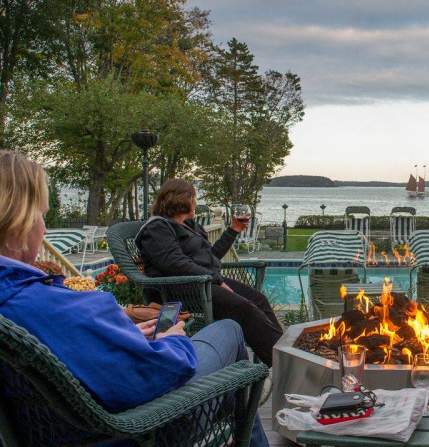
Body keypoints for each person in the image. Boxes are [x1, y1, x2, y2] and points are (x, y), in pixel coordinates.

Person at [0, 150, 269, 446]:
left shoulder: (16, 302)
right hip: (141, 427)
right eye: (41, 215)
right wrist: (172, 339)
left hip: (66, 426)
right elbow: (156, 373)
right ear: (17, 225)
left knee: (254, 301)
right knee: (230, 330)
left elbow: (76, 354)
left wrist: (124, 337)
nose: (45, 228)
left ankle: (276, 365)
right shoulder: (51, 304)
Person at [135, 178, 283, 366]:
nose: (196, 202)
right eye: (194, 197)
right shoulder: (157, 228)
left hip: (203, 283)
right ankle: (281, 364)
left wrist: (233, 230)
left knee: (258, 299)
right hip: (181, 289)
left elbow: (211, 256)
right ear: (182, 200)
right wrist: (216, 280)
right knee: (244, 309)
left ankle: (285, 351)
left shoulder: (190, 226)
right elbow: (175, 264)